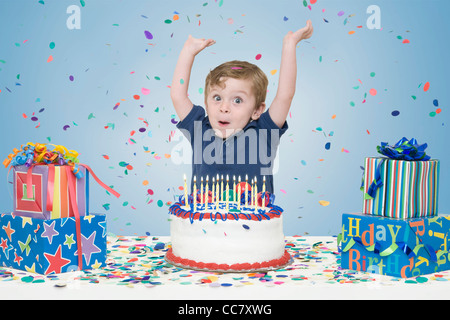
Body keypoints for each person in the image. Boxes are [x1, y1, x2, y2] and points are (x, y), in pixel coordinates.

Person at [170, 20, 313, 194]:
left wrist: (289, 45)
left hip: (254, 222)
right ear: (206, 104)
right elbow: (178, 96)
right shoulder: (199, 129)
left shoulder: (264, 133)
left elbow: (285, 96)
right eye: (217, 98)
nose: (224, 107)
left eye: (237, 100)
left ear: (257, 110)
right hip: (204, 222)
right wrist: (188, 52)